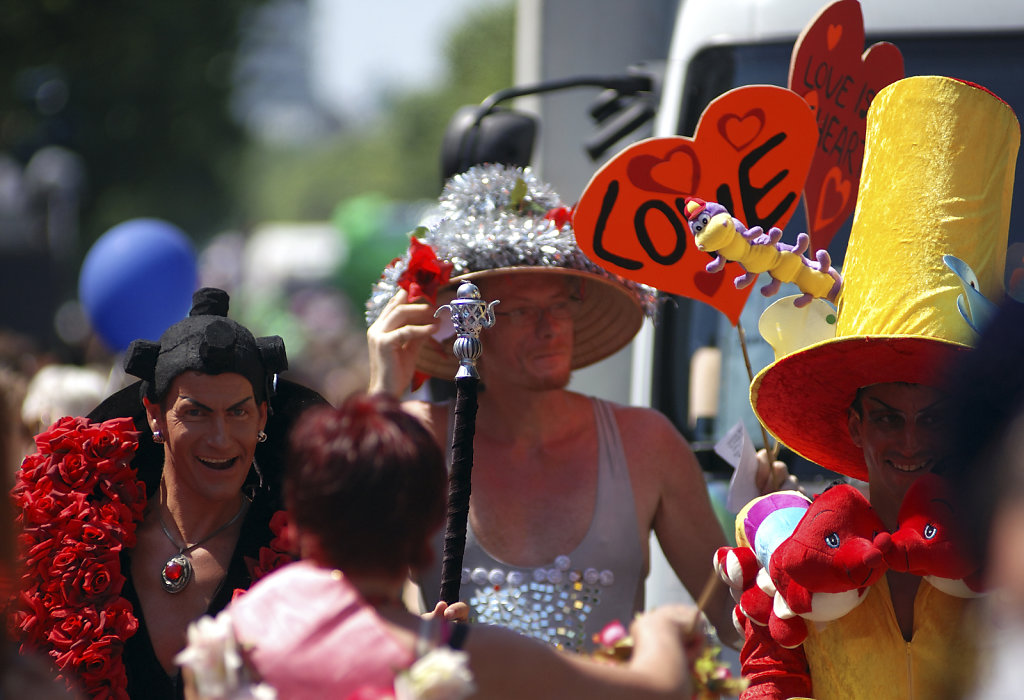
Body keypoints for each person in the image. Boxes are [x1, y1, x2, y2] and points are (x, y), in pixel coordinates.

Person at [365, 163, 771, 651]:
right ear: (466, 327)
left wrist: (774, 533)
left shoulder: (646, 443)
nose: (550, 326)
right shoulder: (417, 442)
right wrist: (382, 391)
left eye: (560, 305)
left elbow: (738, 624)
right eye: (518, 311)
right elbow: (350, 598)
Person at [737, 75, 1019, 699]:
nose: (911, 440)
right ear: (856, 424)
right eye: (889, 417)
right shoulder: (795, 550)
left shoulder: (1011, 548)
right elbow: (770, 679)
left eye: (935, 417)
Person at [179, 393, 708, 700]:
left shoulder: (238, 631)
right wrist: (660, 628)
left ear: (300, 518)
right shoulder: (457, 655)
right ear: (429, 529)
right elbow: (657, 691)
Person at [10, 287, 326, 699]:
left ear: (262, 417)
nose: (220, 438)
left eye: (238, 412)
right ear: (155, 416)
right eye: (195, 412)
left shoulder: (303, 557)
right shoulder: (81, 540)